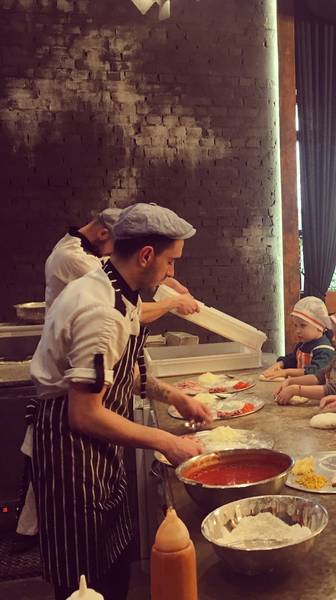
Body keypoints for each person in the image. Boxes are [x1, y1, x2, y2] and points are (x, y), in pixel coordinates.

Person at [29, 203, 213, 600]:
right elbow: (84, 414)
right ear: (146, 255)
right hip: (72, 455)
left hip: (98, 452)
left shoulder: (118, 292)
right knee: (86, 584)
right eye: (170, 261)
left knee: (113, 568)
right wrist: (167, 441)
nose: (171, 273)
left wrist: (173, 396)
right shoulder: (101, 311)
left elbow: (118, 372)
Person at [44, 207, 198, 319]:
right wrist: (174, 303)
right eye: (118, 246)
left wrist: (166, 282)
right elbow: (131, 312)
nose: (117, 254)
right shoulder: (76, 258)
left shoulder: (83, 249)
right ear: (103, 234)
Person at [275, 302, 336, 405]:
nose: (333, 339)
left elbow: (332, 390)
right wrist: (291, 382)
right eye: (334, 335)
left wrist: (296, 390)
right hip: (335, 409)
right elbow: (319, 377)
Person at [261, 296, 334, 380]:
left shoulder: (324, 350)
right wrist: (280, 364)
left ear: (319, 326)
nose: (297, 331)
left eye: (303, 325)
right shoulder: (303, 344)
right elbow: (293, 359)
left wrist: (286, 372)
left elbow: (316, 372)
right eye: (296, 325)